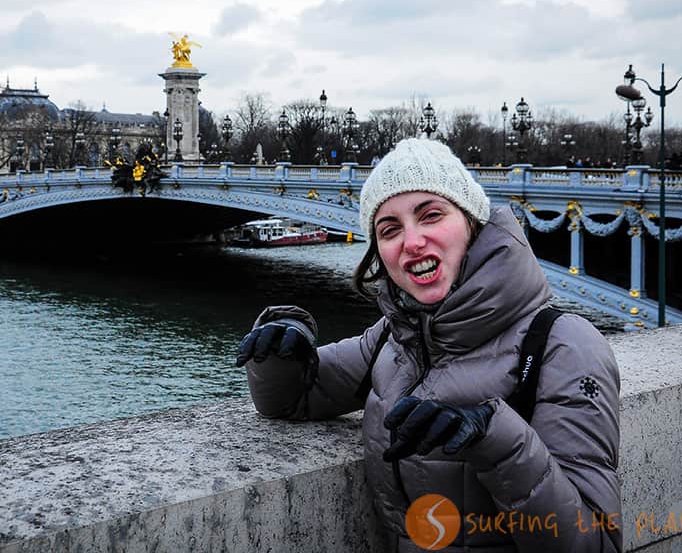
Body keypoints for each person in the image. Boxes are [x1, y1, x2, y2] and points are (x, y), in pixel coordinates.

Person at [236, 138, 620, 552]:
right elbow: (292, 398)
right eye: (390, 229)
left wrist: (495, 442)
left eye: (431, 215)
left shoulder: (565, 345)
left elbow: (595, 543)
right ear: (379, 252)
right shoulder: (394, 336)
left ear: (472, 221)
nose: (412, 242)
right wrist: (285, 342)